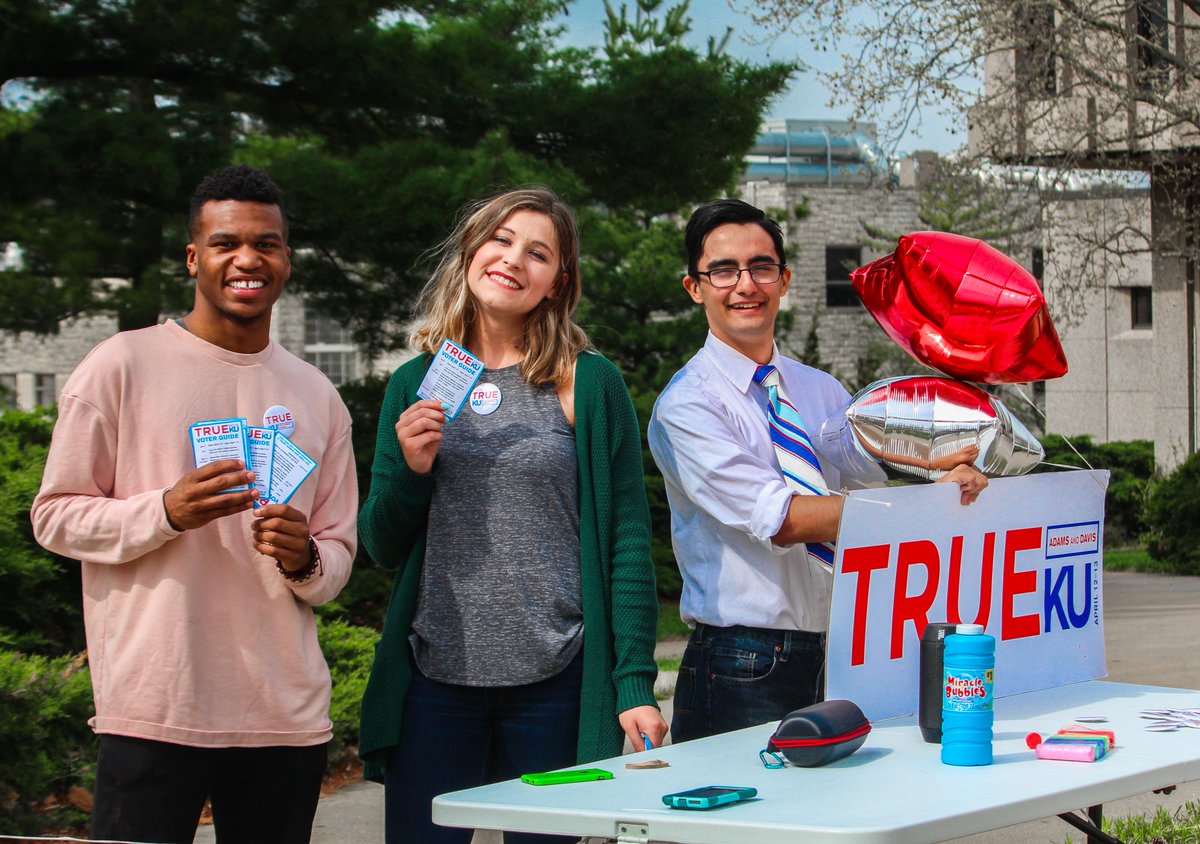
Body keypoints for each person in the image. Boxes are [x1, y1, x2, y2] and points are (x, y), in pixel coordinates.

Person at [31, 165, 358, 843]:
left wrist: (305, 559)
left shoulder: (316, 395)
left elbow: (337, 560)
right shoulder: (121, 365)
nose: (248, 259)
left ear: (286, 259)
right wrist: (164, 511)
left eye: (267, 244)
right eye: (225, 242)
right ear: (193, 257)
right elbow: (55, 515)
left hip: (282, 714)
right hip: (156, 704)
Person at [357, 187, 667, 844]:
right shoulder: (415, 383)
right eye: (500, 240)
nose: (513, 259)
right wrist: (413, 473)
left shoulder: (589, 381)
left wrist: (634, 681)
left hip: (555, 682)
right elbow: (381, 543)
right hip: (434, 681)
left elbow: (627, 540)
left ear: (558, 282)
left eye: (538, 252)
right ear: (472, 251)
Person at [647, 198, 988, 744]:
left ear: (784, 281)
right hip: (742, 662)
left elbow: (869, 483)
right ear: (695, 288)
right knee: (744, 827)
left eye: (761, 268)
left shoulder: (821, 389)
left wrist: (940, 473)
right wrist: (921, 507)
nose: (745, 285)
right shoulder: (688, 406)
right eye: (723, 271)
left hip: (847, 650)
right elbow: (784, 519)